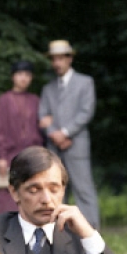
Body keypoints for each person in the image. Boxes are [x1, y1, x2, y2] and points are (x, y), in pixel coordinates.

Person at [39, 40, 100, 228]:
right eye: (53, 59)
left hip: (76, 144)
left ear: (69, 59)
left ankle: (91, 230)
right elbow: (42, 117)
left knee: (83, 188)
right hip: (54, 146)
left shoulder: (85, 82)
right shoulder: (48, 88)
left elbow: (86, 112)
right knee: (55, 188)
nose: (56, 63)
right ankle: (59, 231)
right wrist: (55, 135)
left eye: (60, 58)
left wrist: (65, 133)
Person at [0, 60, 44, 215]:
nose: (23, 78)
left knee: (32, 191)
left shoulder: (35, 100)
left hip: (32, 155)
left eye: (27, 75)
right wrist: (1, 156)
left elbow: (41, 127)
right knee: (7, 194)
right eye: (20, 74)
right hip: (9, 155)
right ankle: (3, 228)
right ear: (13, 77)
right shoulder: (4, 100)